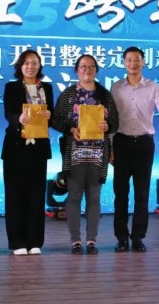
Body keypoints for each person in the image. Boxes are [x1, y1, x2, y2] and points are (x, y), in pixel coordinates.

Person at [110, 46, 159, 253]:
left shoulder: (153, 87)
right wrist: (110, 147)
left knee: (142, 193)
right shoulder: (116, 88)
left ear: (143, 62)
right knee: (120, 193)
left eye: (137, 59)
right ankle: (121, 238)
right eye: (129, 60)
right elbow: (111, 119)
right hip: (121, 143)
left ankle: (138, 237)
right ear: (124, 62)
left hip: (144, 145)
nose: (133, 63)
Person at [52, 54, 118, 255]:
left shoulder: (105, 95)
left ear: (96, 70)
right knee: (74, 196)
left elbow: (115, 122)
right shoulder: (68, 95)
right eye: (83, 66)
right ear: (76, 70)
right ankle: (75, 241)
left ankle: (91, 240)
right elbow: (55, 119)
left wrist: (108, 126)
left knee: (94, 197)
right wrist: (71, 128)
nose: (87, 70)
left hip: (98, 154)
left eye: (91, 66)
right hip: (74, 153)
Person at [1, 49, 54, 256]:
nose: (30, 66)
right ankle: (17, 242)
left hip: (39, 148)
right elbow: (9, 113)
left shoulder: (46, 88)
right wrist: (19, 119)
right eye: (26, 63)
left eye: (34, 63)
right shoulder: (11, 87)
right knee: (15, 195)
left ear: (39, 66)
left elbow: (51, 116)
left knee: (36, 195)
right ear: (20, 66)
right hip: (16, 147)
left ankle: (35, 241)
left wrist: (49, 115)